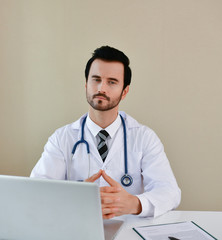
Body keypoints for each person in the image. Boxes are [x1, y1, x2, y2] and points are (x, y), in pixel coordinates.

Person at [31, 46, 181, 219]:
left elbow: (170, 192)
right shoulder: (62, 138)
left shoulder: (144, 138)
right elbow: (37, 189)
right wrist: (72, 197)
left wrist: (133, 203)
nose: (101, 88)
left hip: (128, 231)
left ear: (124, 91)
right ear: (86, 84)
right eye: (96, 79)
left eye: (112, 82)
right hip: (77, 229)